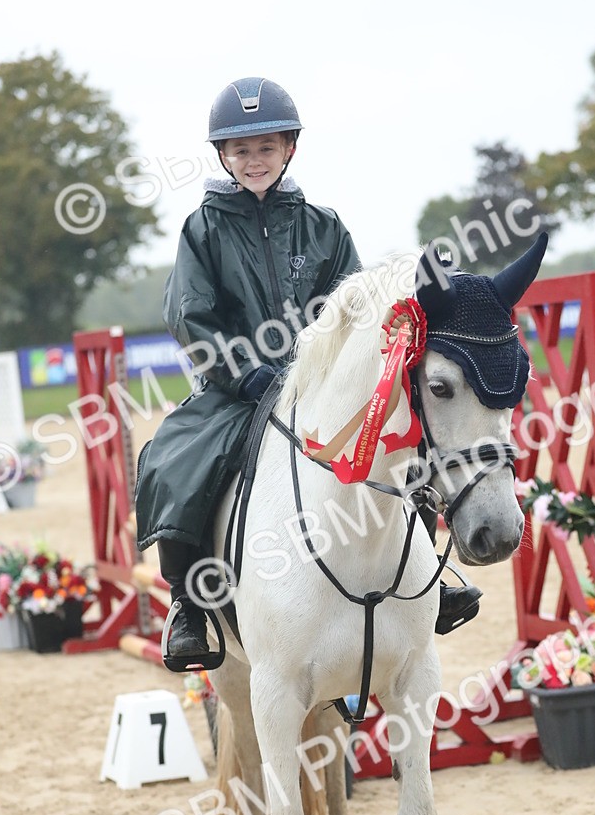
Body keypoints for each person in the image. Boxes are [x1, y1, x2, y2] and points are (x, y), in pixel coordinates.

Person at [135, 76, 480, 670]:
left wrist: (329, 372)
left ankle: (428, 574)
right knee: (169, 458)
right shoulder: (203, 229)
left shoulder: (324, 226)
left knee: (406, 446)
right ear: (223, 155)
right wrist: (244, 374)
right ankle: (189, 603)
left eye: (266, 147)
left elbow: (355, 307)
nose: (254, 160)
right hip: (235, 391)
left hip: (319, 389)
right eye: (241, 150)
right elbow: (190, 315)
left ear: (289, 147)